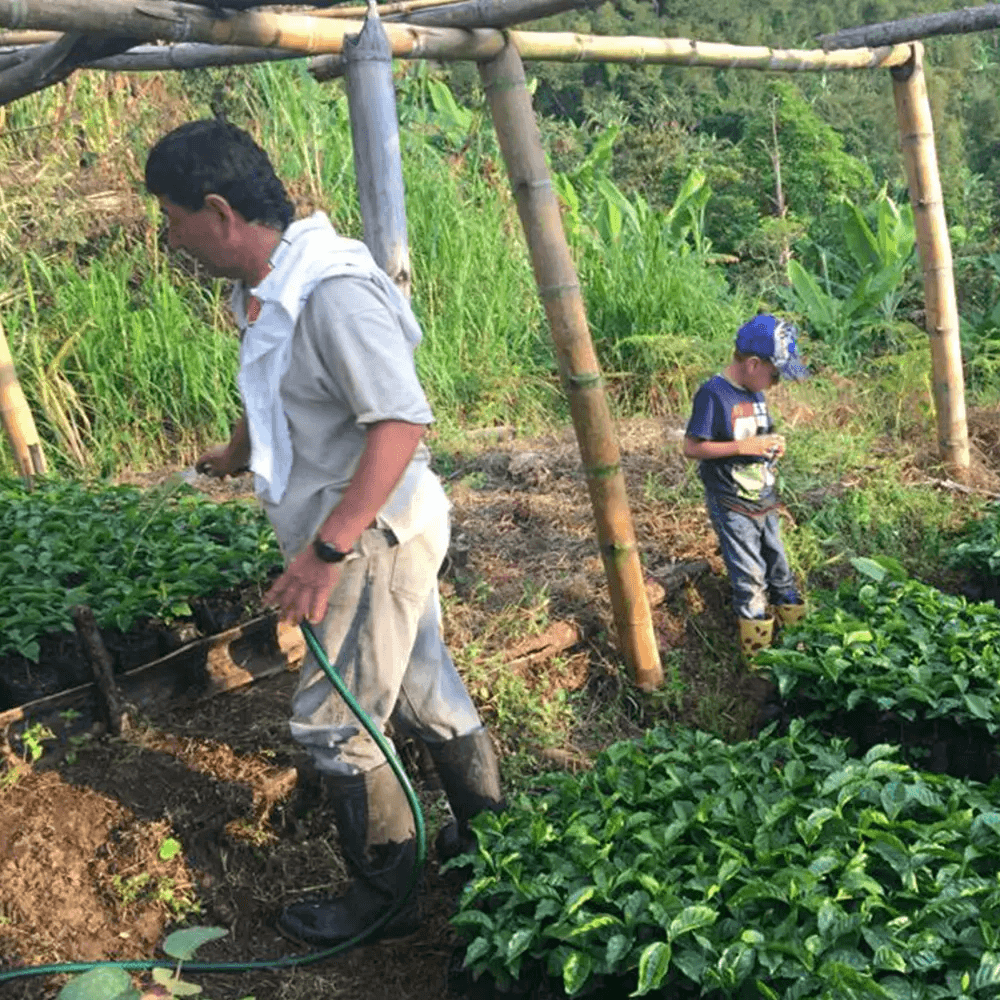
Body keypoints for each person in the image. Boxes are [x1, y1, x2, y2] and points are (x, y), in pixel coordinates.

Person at [144, 119, 504, 948]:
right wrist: (239, 449)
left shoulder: (333, 291)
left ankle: (384, 901)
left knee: (334, 723)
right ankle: (489, 839)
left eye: (173, 219)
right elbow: (270, 370)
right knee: (421, 686)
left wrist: (324, 552)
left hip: (370, 538)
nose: (172, 238)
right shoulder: (267, 284)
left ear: (219, 211)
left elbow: (400, 425)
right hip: (368, 536)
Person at [682, 314, 808, 660]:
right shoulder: (713, 395)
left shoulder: (756, 394)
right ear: (753, 364)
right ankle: (760, 664)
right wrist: (742, 448)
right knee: (751, 579)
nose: (776, 383)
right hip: (733, 504)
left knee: (780, 571)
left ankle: (801, 648)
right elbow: (692, 447)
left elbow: (758, 436)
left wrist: (772, 446)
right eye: (775, 375)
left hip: (764, 499)